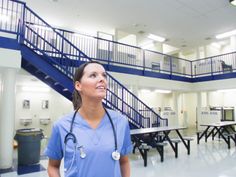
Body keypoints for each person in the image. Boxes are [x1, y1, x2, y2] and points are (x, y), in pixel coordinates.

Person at [44, 61, 133, 177]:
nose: (102, 79)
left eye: (104, 75)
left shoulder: (120, 122)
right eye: (93, 75)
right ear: (78, 85)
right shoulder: (61, 126)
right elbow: (53, 166)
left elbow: (124, 162)